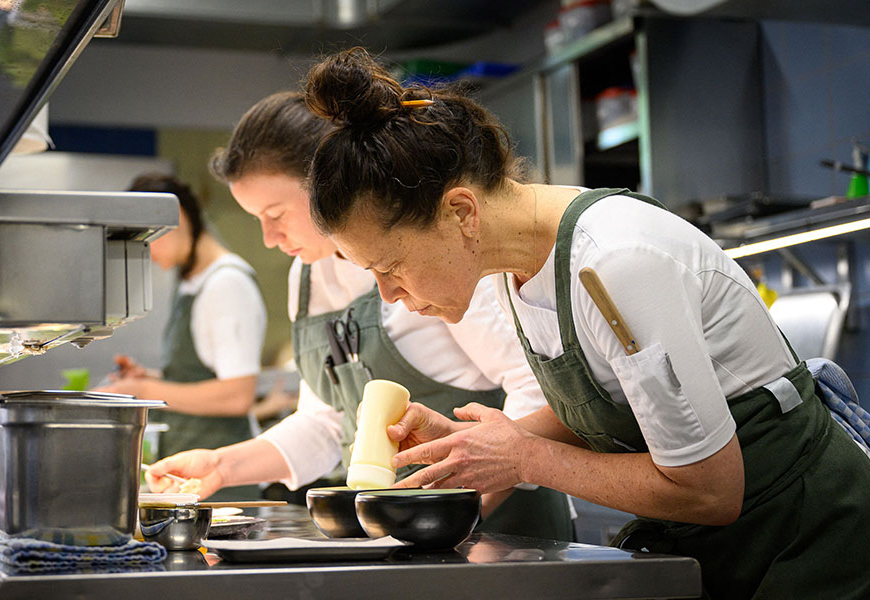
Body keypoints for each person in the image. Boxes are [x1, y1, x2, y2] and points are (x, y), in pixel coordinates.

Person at [299, 48, 870, 598]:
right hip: (722, 547)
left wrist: (526, 458)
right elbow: (613, 397)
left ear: (461, 213)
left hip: (810, 537)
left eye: (391, 267)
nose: (390, 296)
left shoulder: (615, 262)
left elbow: (711, 490)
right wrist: (484, 444)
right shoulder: (512, 266)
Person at [146, 92, 576, 541]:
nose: (269, 238)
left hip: (502, 533)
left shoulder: (428, 254)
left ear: (326, 187)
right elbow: (327, 422)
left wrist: (464, 506)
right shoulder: (308, 275)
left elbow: (536, 386)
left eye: (275, 215)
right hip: (405, 531)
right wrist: (220, 465)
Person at [97, 173, 267, 500]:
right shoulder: (192, 281)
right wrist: (153, 378)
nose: (146, 253)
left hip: (225, 483)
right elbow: (202, 375)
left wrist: (146, 390)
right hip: (195, 476)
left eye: (148, 239)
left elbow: (237, 395)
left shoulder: (227, 284)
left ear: (179, 219)